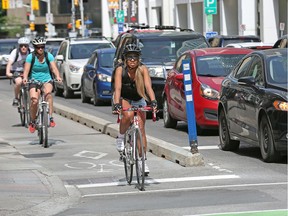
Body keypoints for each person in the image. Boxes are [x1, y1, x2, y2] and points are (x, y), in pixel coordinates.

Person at [112, 43, 158, 175]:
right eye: (130, 57)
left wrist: (153, 101)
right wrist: (117, 104)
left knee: (141, 130)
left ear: (139, 59)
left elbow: (148, 87)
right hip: (124, 98)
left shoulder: (143, 69)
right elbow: (118, 89)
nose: (133, 60)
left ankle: (142, 160)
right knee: (128, 115)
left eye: (135, 57)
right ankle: (121, 137)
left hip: (139, 98)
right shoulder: (120, 69)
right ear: (125, 59)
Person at [22, 36, 62, 133]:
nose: (40, 49)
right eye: (38, 47)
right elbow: (26, 70)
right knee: (34, 101)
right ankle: (32, 121)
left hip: (46, 80)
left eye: (42, 47)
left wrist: (58, 76)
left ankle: (50, 118)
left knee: (48, 94)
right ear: (34, 48)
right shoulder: (30, 57)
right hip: (34, 81)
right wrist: (25, 78)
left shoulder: (49, 56)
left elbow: (54, 68)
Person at [6, 37, 31, 106]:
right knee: (19, 82)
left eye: (25, 46)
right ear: (19, 46)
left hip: (28, 71)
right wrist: (8, 72)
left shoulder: (31, 52)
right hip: (17, 71)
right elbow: (9, 63)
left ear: (28, 46)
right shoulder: (15, 52)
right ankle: (16, 98)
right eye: (21, 46)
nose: (23, 47)